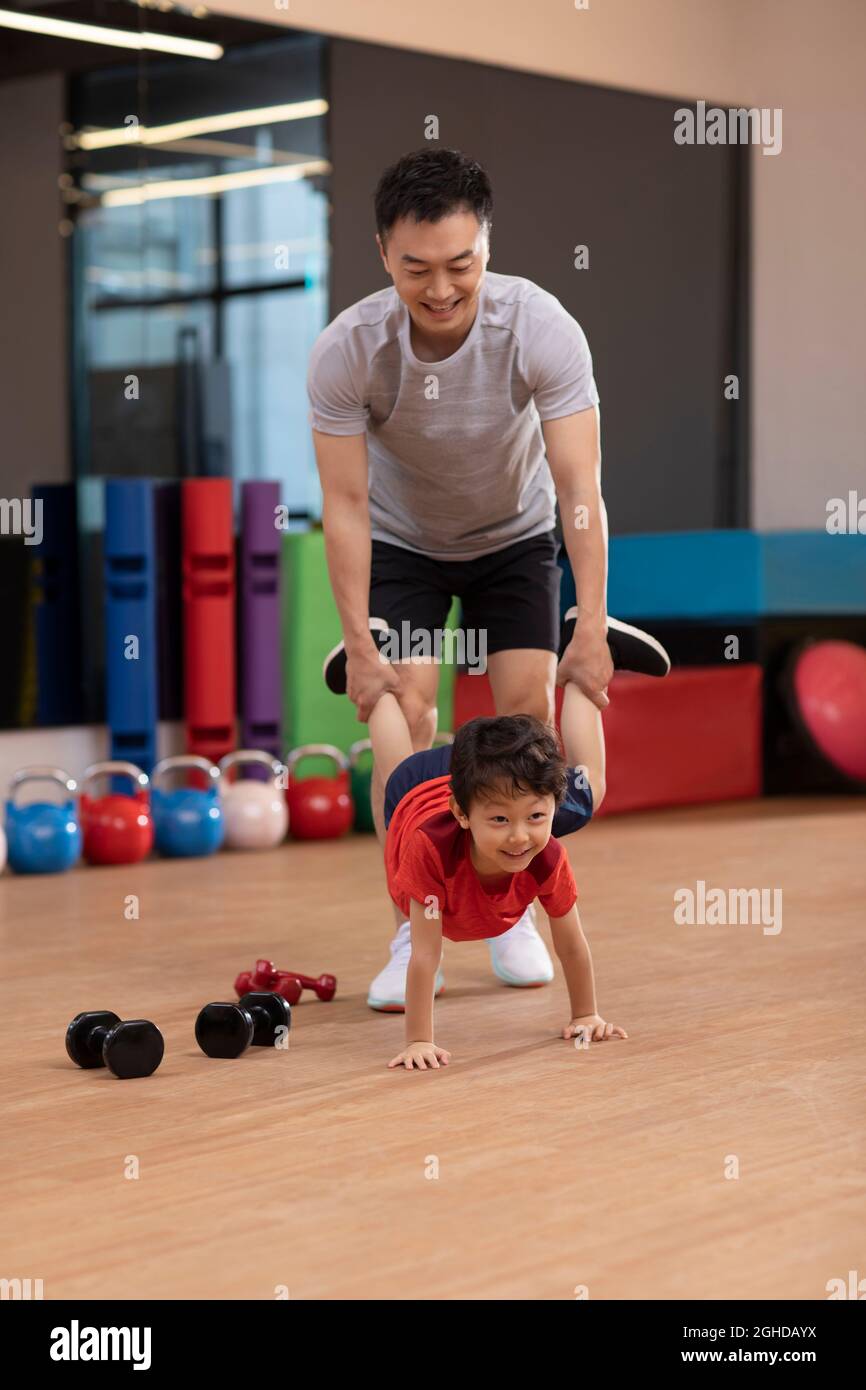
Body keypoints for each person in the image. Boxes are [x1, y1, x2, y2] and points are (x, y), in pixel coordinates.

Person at [307, 146, 668, 1009]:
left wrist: (589, 623)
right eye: (416, 269)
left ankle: (508, 914)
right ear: (382, 254)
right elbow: (347, 506)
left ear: (487, 249)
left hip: (513, 536)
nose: (440, 290)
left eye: (460, 266)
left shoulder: (541, 328)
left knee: (521, 729)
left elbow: (581, 490)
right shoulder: (348, 351)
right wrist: (360, 644)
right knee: (410, 713)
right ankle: (414, 919)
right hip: (400, 541)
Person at [369, 637, 625, 1069]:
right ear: (462, 814)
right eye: (500, 823)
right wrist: (419, 1041)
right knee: (394, 759)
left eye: (536, 819)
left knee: (591, 788)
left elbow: (572, 945)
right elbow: (427, 953)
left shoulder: (544, 849)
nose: (519, 838)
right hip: (421, 787)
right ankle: (371, 682)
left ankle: (584, 676)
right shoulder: (429, 850)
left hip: (505, 785)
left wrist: (585, 1015)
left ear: (549, 809)